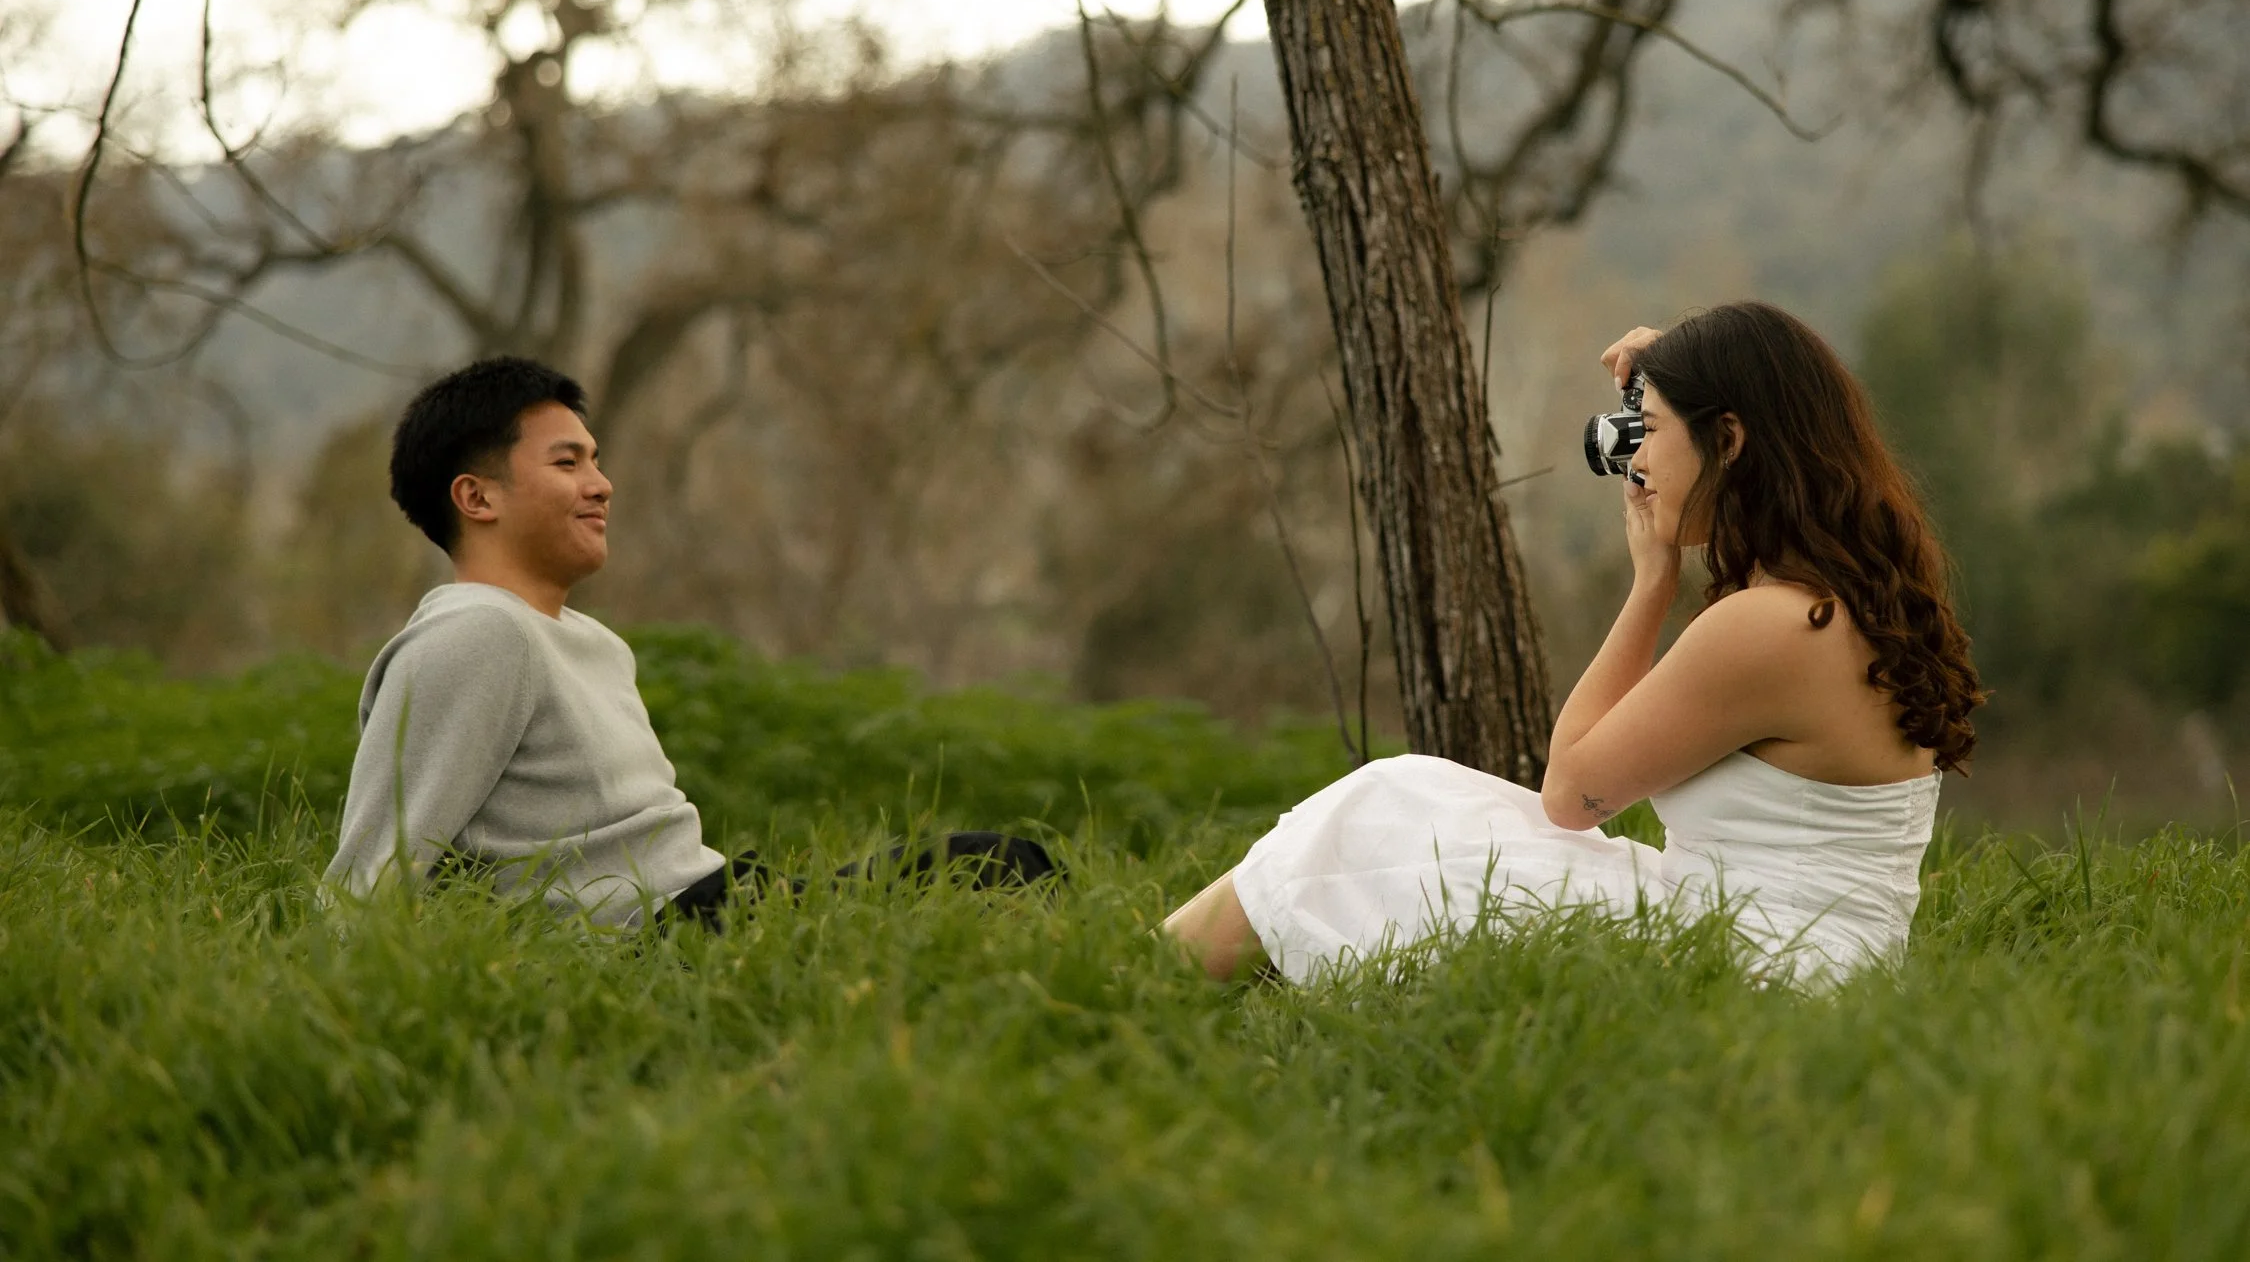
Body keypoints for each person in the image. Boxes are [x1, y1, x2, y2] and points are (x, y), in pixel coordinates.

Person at [1163, 302, 1983, 986]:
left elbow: (1571, 792)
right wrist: (1681, 367)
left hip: (1753, 973)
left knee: (1391, 803)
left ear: (1729, 441)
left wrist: (1650, 585)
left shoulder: (1767, 627)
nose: (1639, 459)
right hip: (1807, 959)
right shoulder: (1844, 600)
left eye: (1653, 430)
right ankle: (1186, 961)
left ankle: (1152, 974)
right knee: (1413, 804)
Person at [326, 357, 1054, 929]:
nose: (602, 484)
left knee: (997, 867)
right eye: (567, 462)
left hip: (719, 898)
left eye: (596, 460)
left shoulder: (592, 644)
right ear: (476, 497)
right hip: (662, 931)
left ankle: (1146, 966)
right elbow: (370, 878)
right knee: (994, 869)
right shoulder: (473, 636)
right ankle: (1147, 968)